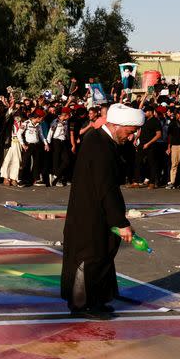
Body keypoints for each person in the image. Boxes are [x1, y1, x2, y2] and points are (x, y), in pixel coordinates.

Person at [61, 103, 144, 320]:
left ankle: (97, 300)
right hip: (90, 213)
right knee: (89, 257)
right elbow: (105, 187)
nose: (132, 136)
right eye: (130, 131)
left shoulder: (104, 141)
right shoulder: (98, 144)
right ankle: (82, 304)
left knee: (103, 254)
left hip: (98, 210)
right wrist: (121, 221)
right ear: (116, 125)